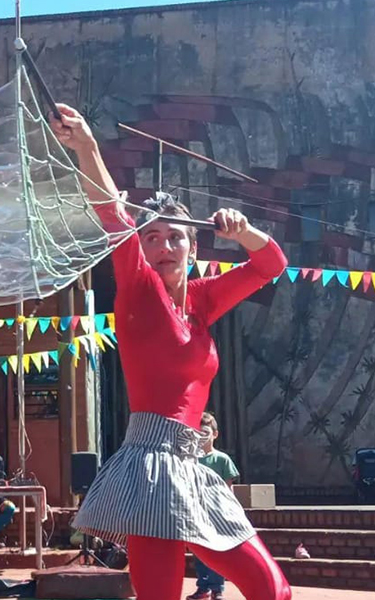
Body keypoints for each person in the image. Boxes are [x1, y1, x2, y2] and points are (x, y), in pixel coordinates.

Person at [50, 105, 291, 600]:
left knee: (272, 590)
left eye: (174, 237)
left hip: (193, 465)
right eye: (152, 237)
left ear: (192, 248)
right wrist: (89, 149)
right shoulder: (139, 288)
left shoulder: (203, 299)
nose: (162, 245)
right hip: (149, 466)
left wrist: (242, 230)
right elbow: (113, 216)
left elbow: (271, 263)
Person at [187, 412, 241, 600]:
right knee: (200, 553)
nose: (203, 436)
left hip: (217, 513)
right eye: (199, 432)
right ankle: (203, 588)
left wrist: (232, 510)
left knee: (218, 552)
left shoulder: (222, 459)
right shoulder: (190, 460)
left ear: (215, 434)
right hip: (196, 512)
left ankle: (218, 588)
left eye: (206, 432)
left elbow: (228, 488)